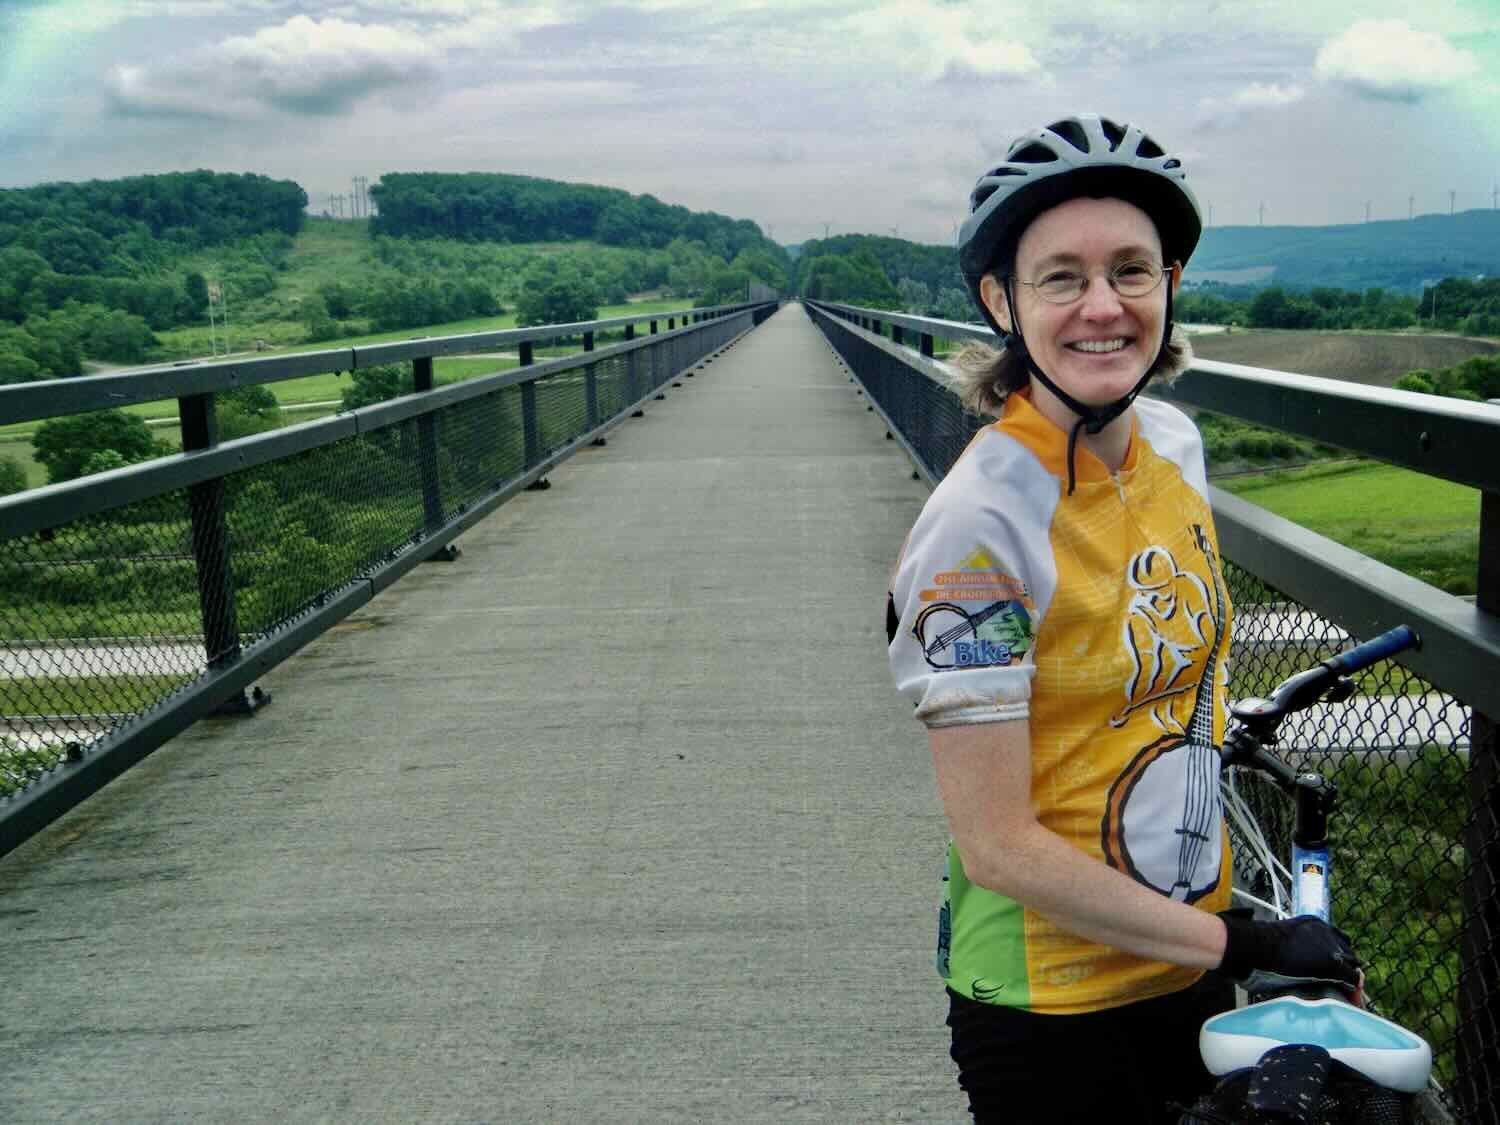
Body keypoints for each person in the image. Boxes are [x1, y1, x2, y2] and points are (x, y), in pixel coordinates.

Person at [885, 114, 1360, 1124]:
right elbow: (999, 846)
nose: (1103, 307)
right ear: (1000, 301)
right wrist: (1248, 941)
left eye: (1132, 271)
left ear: (1171, 286)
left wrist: (1221, 936)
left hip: (1184, 968)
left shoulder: (1175, 446)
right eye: (1062, 277)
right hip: (1050, 1001)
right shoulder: (979, 532)